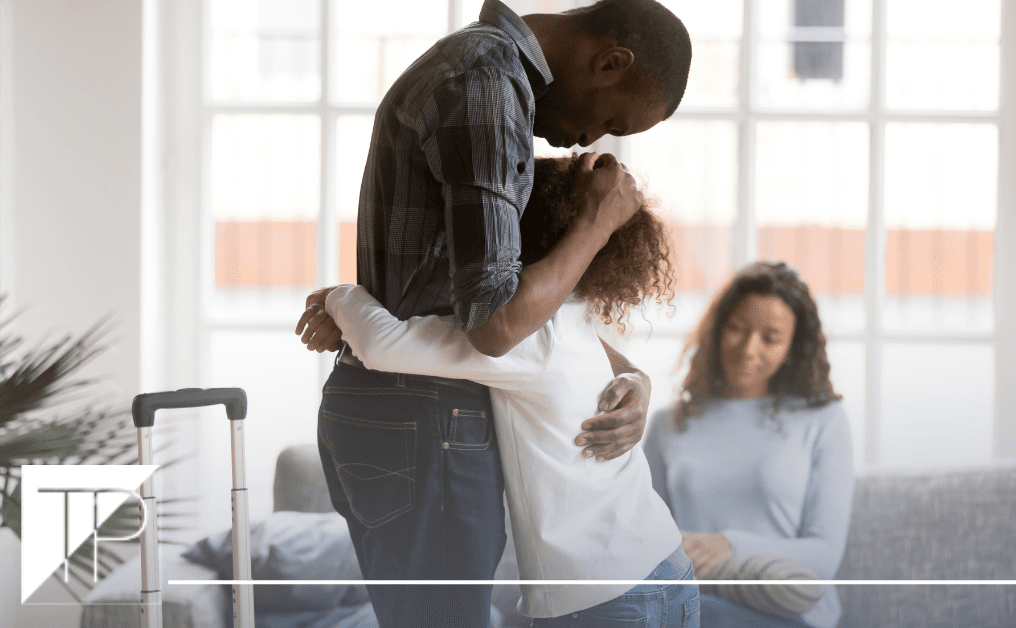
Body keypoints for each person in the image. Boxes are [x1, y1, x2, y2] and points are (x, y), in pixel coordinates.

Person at [295, 1, 691, 626]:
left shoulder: (479, 71)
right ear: (611, 62)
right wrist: (595, 221)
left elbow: (555, 335)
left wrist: (636, 380)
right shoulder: (487, 83)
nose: (589, 140)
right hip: (425, 409)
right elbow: (499, 326)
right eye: (610, 118)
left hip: (411, 401)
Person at [643, 262, 855, 628]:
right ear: (717, 330)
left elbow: (824, 556)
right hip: (694, 606)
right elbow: (644, 537)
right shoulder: (668, 423)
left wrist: (730, 544)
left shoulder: (824, 420)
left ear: (792, 348)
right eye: (737, 329)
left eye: (770, 338)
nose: (748, 348)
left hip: (788, 614)